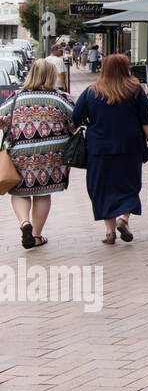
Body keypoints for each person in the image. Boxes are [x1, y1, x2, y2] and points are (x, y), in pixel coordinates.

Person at [71, 53, 148, 245]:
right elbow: (146, 120)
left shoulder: (91, 92)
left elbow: (75, 118)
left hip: (99, 148)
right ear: (126, 68)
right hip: (129, 146)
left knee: (100, 188)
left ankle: (110, 232)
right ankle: (123, 219)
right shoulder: (135, 91)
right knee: (129, 184)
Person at [0, 58, 74, 249]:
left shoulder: (15, 97)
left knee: (19, 191)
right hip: (52, 153)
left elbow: (1, 119)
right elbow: (74, 122)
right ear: (51, 76)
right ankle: (36, 235)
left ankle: (24, 223)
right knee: (43, 192)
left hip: (20, 152)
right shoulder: (61, 98)